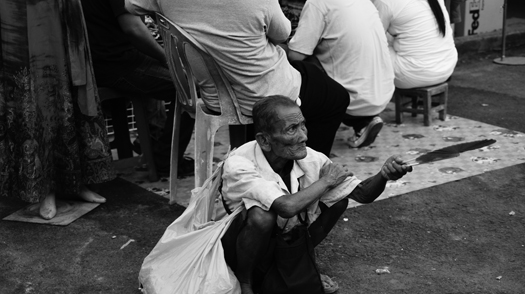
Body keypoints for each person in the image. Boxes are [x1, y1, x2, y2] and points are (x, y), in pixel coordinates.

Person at [220, 95, 412, 294]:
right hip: (235, 247)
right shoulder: (239, 164)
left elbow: (362, 193)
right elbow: (286, 207)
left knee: (339, 201)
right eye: (292, 129)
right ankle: (244, 283)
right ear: (264, 140)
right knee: (262, 216)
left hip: (279, 239)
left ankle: (302, 263)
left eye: (302, 125)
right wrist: (326, 182)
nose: (303, 136)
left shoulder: (310, 158)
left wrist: (384, 175)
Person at [124, 0, 349, 157]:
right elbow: (281, 34)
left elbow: (131, 6)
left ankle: (263, 150)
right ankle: (302, 173)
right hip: (262, 93)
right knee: (336, 97)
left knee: (302, 70)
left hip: (212, 95)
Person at [0, 0, 115, 220]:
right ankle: (45, 188)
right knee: (37, 89)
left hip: (61, 9)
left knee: (69, 82)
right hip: (18, 13)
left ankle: (75, 181)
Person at [81, 0, 195, 177]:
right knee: (191, 88)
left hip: (102, 60)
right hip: (117, 63)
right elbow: (133, 29)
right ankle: (165, 159)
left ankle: (152, 143)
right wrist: (168, 60)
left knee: (172, 73)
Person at [286, 0, 395, 149]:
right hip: (383, 93)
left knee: (300, 65)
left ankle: (305, 129)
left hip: (351, 100)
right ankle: (362, 123)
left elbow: (295, 55)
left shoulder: (318, 3)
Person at [372, 0, 458, 89]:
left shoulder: (385, 2)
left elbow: (372, 38)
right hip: (446, 67)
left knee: (374, 41)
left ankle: (372, 96)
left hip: (413, 74)